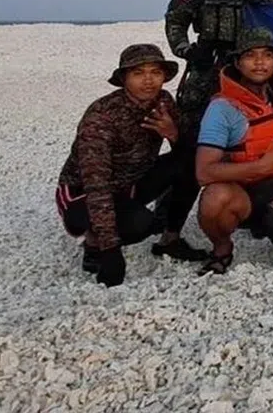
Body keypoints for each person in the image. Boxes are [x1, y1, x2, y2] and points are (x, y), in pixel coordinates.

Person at [157, 0, 273, 234]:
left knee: (254, 136)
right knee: (189, 144)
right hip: (205, 72)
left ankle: (250, 208)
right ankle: (170, 226)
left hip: (250, 76)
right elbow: (175, 18)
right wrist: (187, 50)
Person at [54, 44, 209, 288]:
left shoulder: (164, 102)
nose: (148, 80)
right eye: (138, 73)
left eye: (155, 72)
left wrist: (174, 134)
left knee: (191, 163)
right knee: (139, 224)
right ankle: (93, 243)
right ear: (124, 78)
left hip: (132, 182)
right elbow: (96, 183)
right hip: (82, 192)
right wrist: (110, 251)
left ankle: (170, 239)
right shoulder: (102, 116)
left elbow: (191, 147)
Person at [192, 26, 273, 275]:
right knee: (215, 199)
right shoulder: (222, 109)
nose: (259, 63)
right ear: (237, 63)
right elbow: (203, 172)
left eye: (267, 55)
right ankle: (222, 248)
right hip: (243, 190)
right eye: (250, 56)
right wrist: (261, 166)